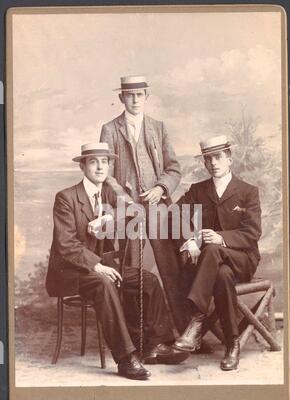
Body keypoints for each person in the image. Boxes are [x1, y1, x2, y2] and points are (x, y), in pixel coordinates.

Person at [46, 143, 188, 381]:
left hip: (99, 268)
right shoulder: (66, 198)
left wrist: (109, 216)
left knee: (149, 280)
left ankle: (156, 346)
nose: (100, 166)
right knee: (104, 283)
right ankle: (126, 358)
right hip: (71, 272)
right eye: (93, 161)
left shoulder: (108, 193)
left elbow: (133, 210)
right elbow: (66, 245)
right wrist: (97, 265)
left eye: (105, 161)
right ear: (82, 166)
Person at [100, 75, 187, 333]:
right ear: (121, 98)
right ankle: (137, 337)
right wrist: (124, 200)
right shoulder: (109, 129)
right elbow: (107, 174)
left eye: (140, 94)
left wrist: (160, 188)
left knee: (170, 271)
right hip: (128, 214)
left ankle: (185, 333)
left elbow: (173, 168)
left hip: (157, 209)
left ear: (147, 97)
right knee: (133, 274)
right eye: (130, 95)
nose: (135, 99)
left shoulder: (158, 127)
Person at [172, 135, 262, 370]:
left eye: (218, 157)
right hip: (213, 266)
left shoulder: (248, 192)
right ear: (204, 163)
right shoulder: (198, 190)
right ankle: (233, 344)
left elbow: (252, 233)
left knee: (212, 248)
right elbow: (174, 214)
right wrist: (190, 239)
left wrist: (222, 238)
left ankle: (196, 320)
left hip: (242, 258)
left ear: (229, 159)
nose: (213, 163)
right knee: (221, 275)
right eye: (208, 159)